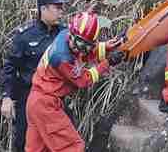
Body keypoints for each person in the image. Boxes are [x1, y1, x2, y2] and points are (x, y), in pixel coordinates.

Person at [25, 11, 125, 152]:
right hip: (45, 104)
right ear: (72, 34)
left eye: (86, 46)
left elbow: (81, 52)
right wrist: (107, 63)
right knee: (72, 147)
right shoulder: (62, 58)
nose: (80, 49)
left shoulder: (66, 36)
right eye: (79, 43)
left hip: (35, 102)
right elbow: (83, 80)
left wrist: (105, 47)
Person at [1, 0, 67, 152]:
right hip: (28, 98)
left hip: (55, 100)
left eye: (61, 7)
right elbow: (10, 67)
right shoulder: (25, 36)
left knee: (58, 144)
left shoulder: (65, 34)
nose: (61, 11)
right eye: (56, 7)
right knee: (25, 143)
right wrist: (7, 97)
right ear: (43, 9)